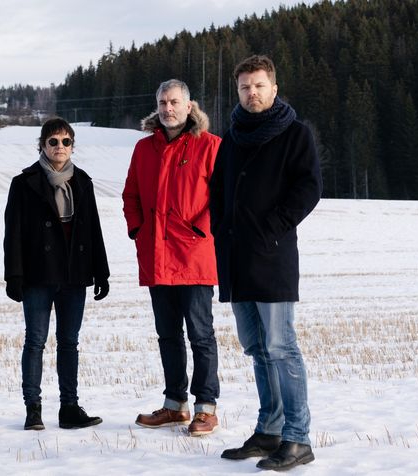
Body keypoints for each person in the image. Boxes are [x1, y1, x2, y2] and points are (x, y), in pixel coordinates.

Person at [210, 55, 322, 471]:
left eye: (258, 86)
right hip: (236, 259)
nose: (251, 93)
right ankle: (269, 430)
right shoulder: (233, 137)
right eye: (244, 87)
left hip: (272, 257)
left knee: (281, 348)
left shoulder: (295, 134)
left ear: (273, 88)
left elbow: (309, 187)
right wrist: (221, 227)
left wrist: (273, 226)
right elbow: (217, 188)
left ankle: (298, 438)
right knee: (257, 348)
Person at [122, 79, 221, 436]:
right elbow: (130, 195)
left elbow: (222, 199)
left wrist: (200, 231)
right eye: (162, 102)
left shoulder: (210, 146)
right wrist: (139, 230)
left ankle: (206, 407)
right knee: (167, 334)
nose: (168, 108)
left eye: (174, 102)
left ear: (189, 105)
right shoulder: (143, 149)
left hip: (194, 257)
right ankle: (174, 404)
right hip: (156, 256)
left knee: (200, 334)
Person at [4, 117, 109, 431]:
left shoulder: (83, 181)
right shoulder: (24, 183)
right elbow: (14, 234)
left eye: (66, 142)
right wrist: (14, 276)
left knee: (69, 342)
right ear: (42, 145)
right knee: (35, 342)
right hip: (38, 275)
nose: (59, 147)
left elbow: (93, 230)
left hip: (73, 276)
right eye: (53, 141)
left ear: (72, 146)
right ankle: (33, 409)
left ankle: (69, 407)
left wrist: (100, 273)